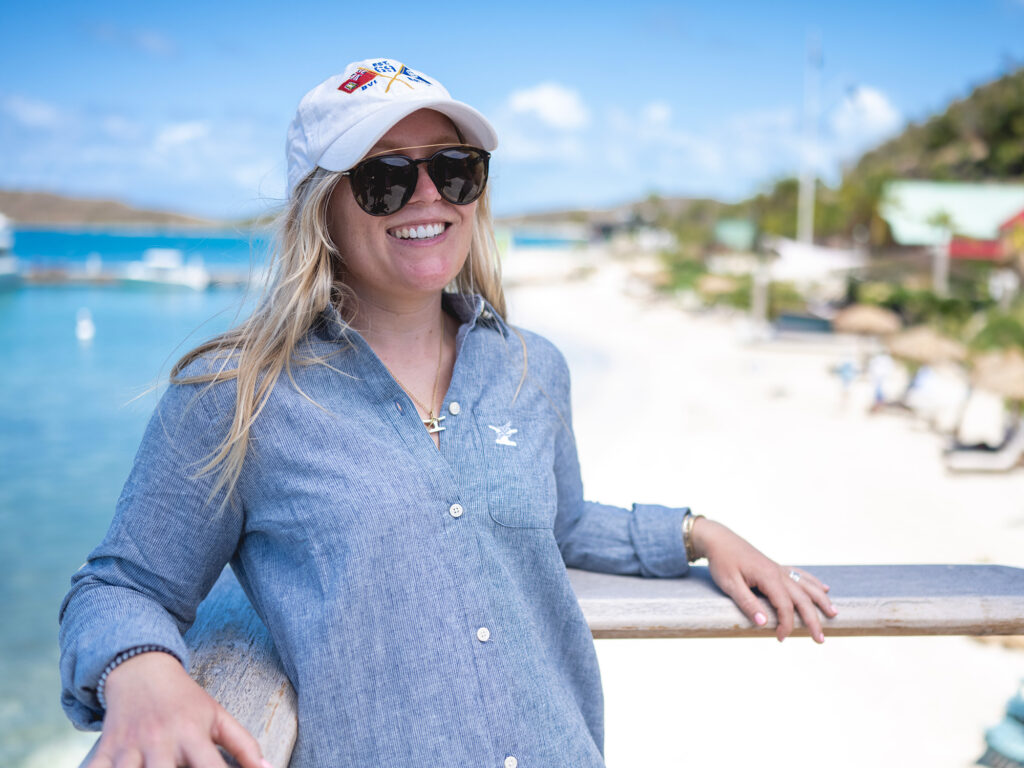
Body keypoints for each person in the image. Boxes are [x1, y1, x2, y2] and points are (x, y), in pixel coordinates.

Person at [59, 58, 838, 768]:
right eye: (386, 179)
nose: (428, 197)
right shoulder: (237, 395)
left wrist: (697, 533)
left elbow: (556, 524)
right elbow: (119, 586)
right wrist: (145, 670)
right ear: (322, 209)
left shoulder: (532, 368)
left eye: (456, 170)